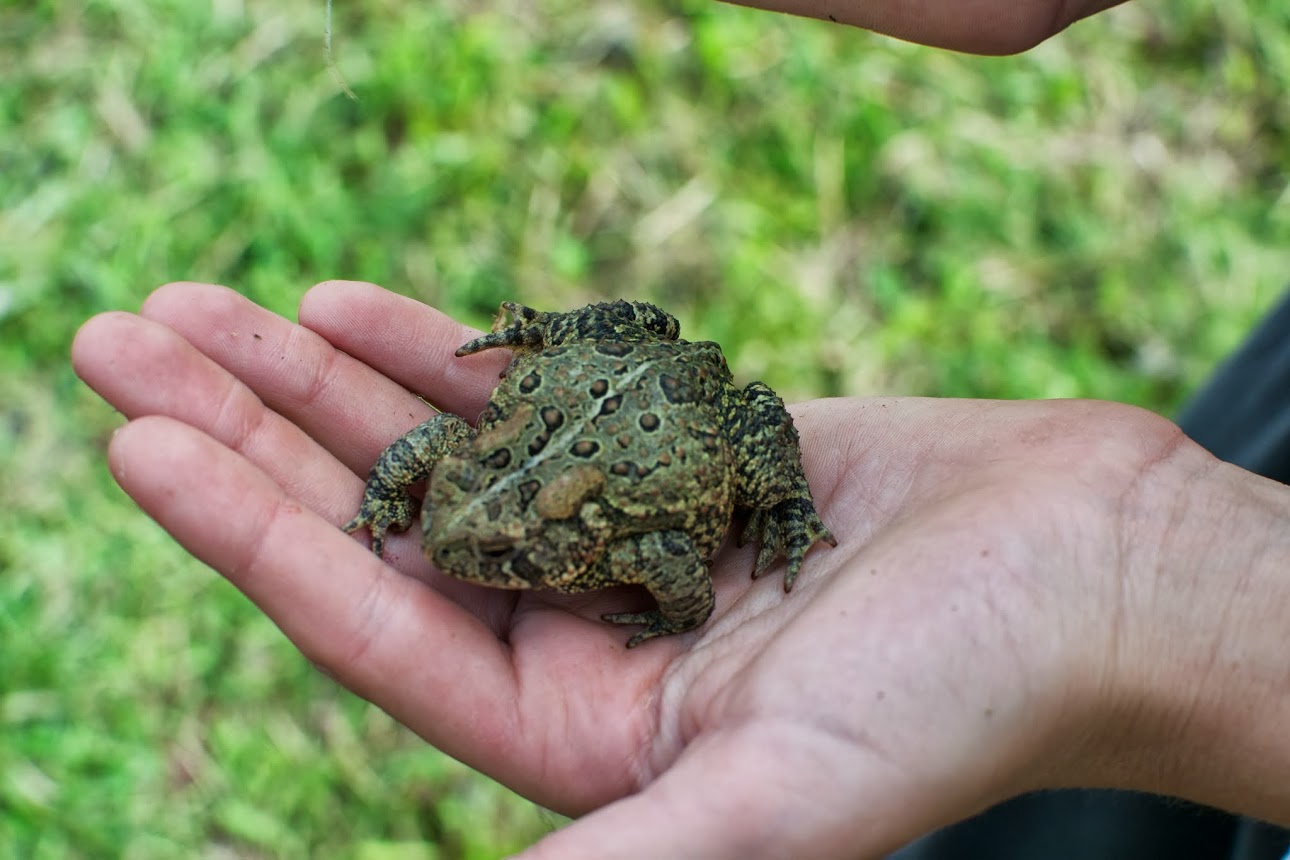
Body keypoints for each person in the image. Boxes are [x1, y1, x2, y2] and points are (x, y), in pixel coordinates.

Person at [74, 275, 1290, 859]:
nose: (465, 547)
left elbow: (687, 582)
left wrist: (672, 617)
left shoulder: (625, 535)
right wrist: (392, 499)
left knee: (766, 460)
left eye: (496, 549)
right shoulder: (465, 458)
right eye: (468, 523)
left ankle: (788, 504)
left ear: (555, 543)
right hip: (584, 406)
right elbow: (435, 443)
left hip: (682, 421)